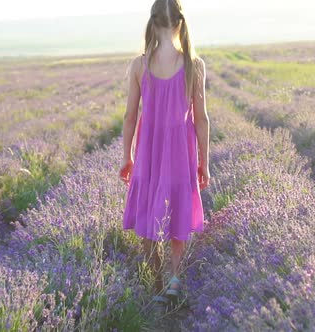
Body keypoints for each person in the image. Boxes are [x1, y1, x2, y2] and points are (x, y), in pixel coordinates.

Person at [118, 0, 211, 313]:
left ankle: (156, 284)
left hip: (148, 149)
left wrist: (125, 156)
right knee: (178, 209)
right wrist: (204, 163)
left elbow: (130, 117)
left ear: (152, 24)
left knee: (147, 211)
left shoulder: (138, 65)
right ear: (180, 25)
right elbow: (202, 120)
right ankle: (174, 281)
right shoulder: (193, 65)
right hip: (181, 153)